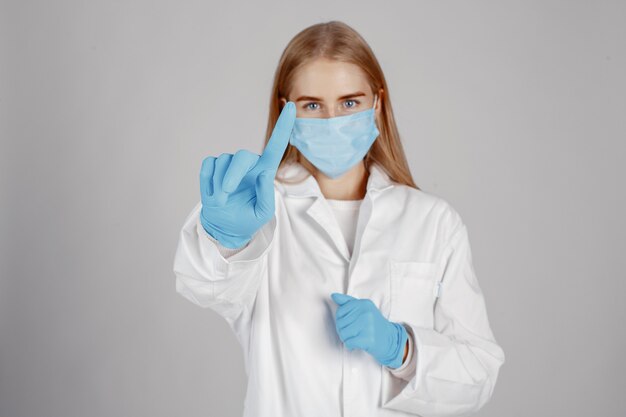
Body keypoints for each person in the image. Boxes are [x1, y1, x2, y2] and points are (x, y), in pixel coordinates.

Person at [173, 20, 505, 417]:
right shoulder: (257, 210)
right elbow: (204, 287)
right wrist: (224, 239)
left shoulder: (433, 222)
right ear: (285, 112)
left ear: (377, 105)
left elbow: (478, 376)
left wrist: (402, 348)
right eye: (312, 105)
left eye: (350, 103)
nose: (332, 120)